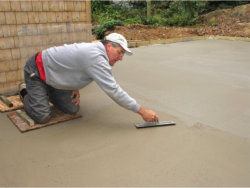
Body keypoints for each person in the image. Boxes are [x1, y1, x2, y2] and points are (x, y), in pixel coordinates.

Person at [19, 33, 158, 124]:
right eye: (119, 52)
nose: (121, 58)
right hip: (37, 71)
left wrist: (74, 85)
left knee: (72, 108)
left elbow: (74, 66)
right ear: (109, 46)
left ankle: (44, 92)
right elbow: (114, 90)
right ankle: (26, 93)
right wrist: (142, 111)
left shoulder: (97, 54)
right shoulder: (95, 57)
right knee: (42, 116)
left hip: (54, 76)